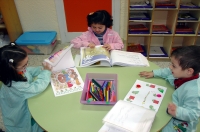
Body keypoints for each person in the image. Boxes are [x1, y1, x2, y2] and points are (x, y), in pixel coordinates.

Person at [139, 45, 200, 132]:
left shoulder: (193, 92)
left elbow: (194, 114)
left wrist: (177, 111)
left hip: (182, 122)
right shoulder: (182, 73)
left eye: (174, 66)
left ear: (189, 71)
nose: (171, 67)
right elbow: (167, 71)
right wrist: (154, 73)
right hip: (172, 102)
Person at [0, 43, 52, 132]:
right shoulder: (17, 85)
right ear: (11, 69)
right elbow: (36, 87)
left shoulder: (15, 72)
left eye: (27, 63)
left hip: (16, 105)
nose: (26, 66)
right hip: (18, 118)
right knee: (24, 126)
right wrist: (46, 72)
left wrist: (41, 69)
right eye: (23, 65)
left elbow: (29, 71)